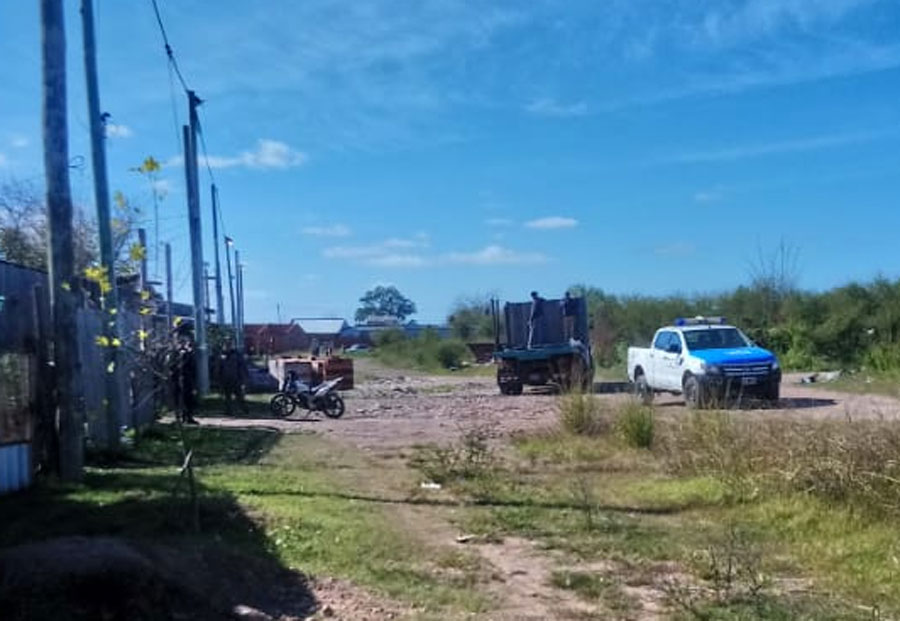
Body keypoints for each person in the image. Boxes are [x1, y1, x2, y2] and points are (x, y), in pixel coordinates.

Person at [173, 330, 199, 425]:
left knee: (189, 399)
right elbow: (173, 366)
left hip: (187, 379)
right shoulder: (176, 353)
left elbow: (193, 367)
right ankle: (180, 417)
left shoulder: (189, 353)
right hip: (178, 379)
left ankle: (188, 416)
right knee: (179, 399)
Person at [221, 341, 249, 416]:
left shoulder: (236, 355)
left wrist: (243, 378)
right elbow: (219, 367)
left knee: (239, 395)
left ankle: (245, 409)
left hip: (235, 379)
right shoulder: (222, 355)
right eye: (225, 345)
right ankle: (228, 411)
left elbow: (241, 367)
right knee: (227, 396)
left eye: (228, 345)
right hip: (226, 379)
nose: (227, 347)